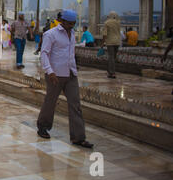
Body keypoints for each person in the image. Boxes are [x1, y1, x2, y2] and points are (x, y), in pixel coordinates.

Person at [37, 10, 93, 149]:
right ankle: (43, 127)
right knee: (50, 102)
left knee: (75, 105)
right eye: (69, 23)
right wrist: (50, 71)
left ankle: (78, 137)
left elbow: (70, 52)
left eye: (73, 24)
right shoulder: (51, 34)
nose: (71, 26)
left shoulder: (72, 33)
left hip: (70, 74)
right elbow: (44, 54)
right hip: (55, 75)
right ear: (63, 21)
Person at [101, 11, 121, 79]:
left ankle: (112, 73)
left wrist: (102, 43)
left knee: (111, 57)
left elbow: (104, 34)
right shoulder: (118, 22)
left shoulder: (107, 23)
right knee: (113, 57)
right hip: (117, 42)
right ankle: (111, 71)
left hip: (110, 42)